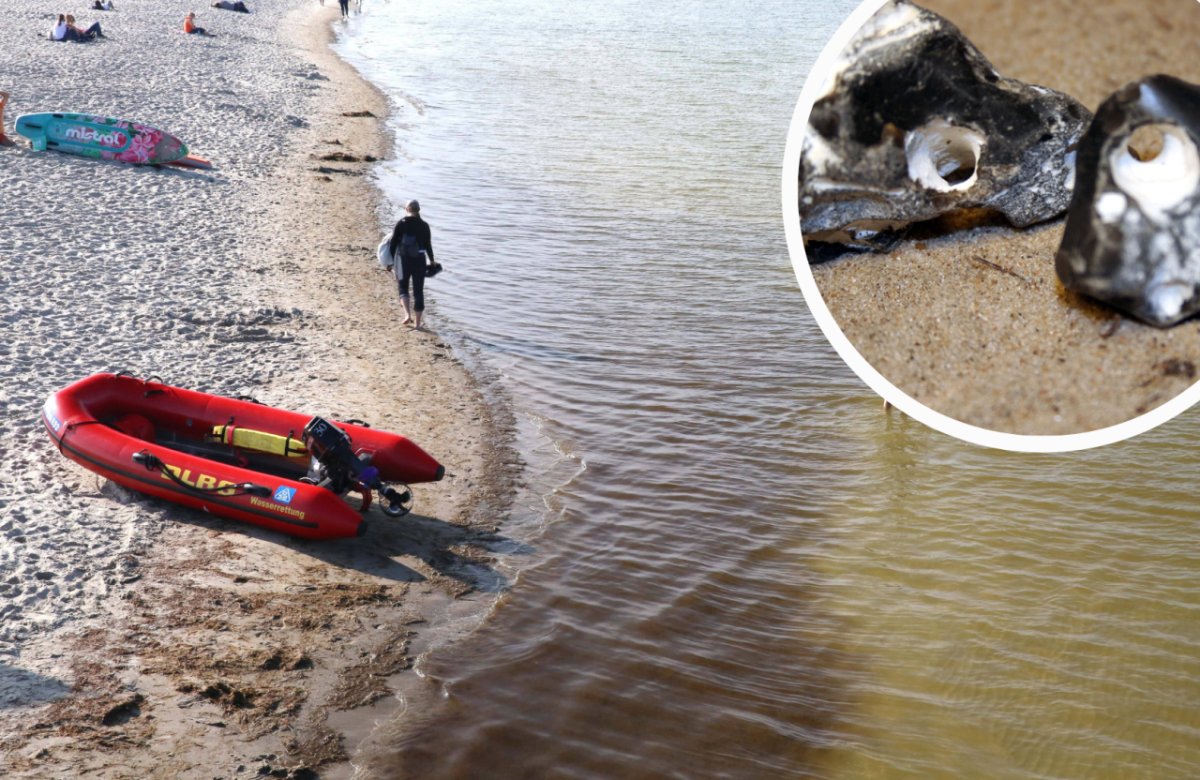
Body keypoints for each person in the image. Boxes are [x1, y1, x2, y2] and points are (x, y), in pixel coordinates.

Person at [388, 199, 436, 330]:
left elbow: (393, 244)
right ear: (418, 210)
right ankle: (418, 323)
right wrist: (432, 260)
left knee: (403, 287)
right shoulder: (424, 225)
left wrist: (392, 262)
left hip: (404, 260)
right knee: (418, 291)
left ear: (406, 209)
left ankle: (407, 315)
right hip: (419, 259)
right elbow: (428, 245)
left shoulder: (401, 224)